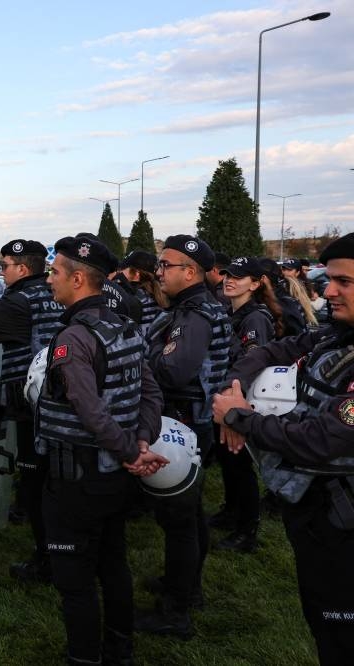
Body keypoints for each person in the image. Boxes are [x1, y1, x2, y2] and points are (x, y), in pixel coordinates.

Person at [213, 233, 354, 666]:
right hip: (314, 514)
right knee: (324, 624)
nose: (328, 291)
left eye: (344, 282)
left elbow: (324, 438)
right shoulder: (336, 335)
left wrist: (241, 419)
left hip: (343, 524)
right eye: (330, 280)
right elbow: (277, 348)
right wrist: (232, 390)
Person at [38, 236, 165, 666]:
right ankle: (119, 649)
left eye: (54, 272)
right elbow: (150, 393)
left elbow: (89, 410)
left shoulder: (75, 337)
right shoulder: (124, 326)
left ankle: (85, 658)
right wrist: (142, 441)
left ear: (77, 279)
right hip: (116, 476)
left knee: (74, 580)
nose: (48, 278)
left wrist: (133, 450)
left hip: (79, 477)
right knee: (113, 564)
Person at [137, 234, 232, 638]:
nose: (159, 273)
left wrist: (148, 354)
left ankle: (176, 611)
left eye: (165, 266)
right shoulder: (198, 307)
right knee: (189, 514)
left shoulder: (195, 315)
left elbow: (174, 370)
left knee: (178, 519)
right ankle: (186, 587)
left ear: (189, 271)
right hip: (195, 418)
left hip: (184, 421)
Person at [0, 238, 65, 584]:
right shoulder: (56, 293)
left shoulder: (19, 301)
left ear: (23, 268)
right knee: (55, 479)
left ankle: (47, 559)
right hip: (62, 401)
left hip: (31, 404)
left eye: (5, 265)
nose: (1, 270)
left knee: (37, 483)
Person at [209, 257, 282, 554]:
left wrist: (236, 409)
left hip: (243, 401)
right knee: (228, 460)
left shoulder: (255, 318)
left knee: (240, 464)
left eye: (238, 277)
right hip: (226, 399)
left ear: (254, 283)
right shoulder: (231, 310)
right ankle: (232, 511)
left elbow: (252, 365)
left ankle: (247, 530)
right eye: (228, 274)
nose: (229, 280)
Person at [115, 251, 167, 330]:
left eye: (123, 268)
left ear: (136, 274)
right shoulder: (155, 293)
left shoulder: (137, 297)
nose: (119, 272)